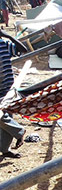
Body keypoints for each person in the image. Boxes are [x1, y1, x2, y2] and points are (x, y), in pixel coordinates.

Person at [0, 30, 39, 159]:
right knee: (4, 118)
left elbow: (23, 49)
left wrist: (8, 36)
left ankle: (6, 148)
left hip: (7, 87)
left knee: (6, 117)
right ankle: (17, 134)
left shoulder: (3, 44)